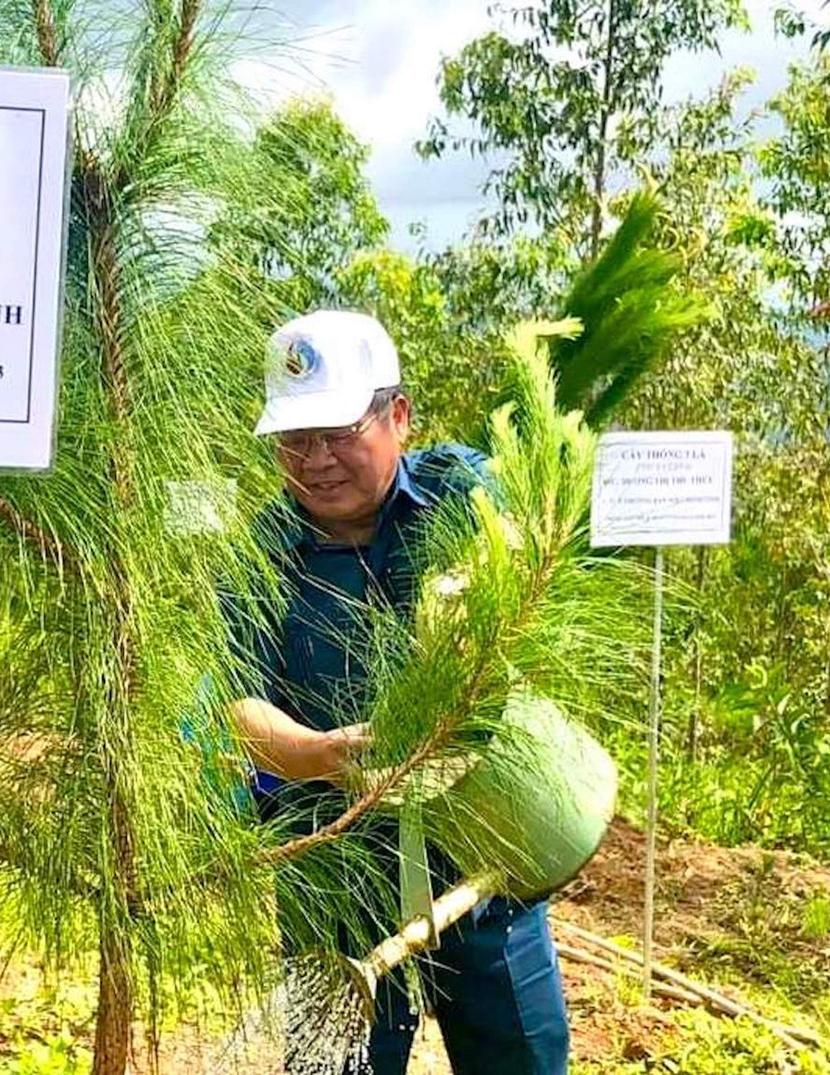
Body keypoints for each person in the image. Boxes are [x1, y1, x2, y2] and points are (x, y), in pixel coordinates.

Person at [227, 310, 570, 1074]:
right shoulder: (260, 554)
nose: (315, 460)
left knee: (523, 1059)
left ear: (400, 416)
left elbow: (527, 563)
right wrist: (318, 753)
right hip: (337, 874)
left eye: (339, 431)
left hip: (484, 867)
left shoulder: (461, 492)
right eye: (294, 439)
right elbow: (238, 704)